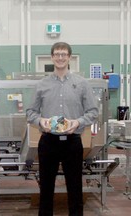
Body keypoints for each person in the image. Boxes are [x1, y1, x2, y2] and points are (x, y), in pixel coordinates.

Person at [26, 42, 98, 216]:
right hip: (48, 142)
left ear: (69, 58)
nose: (60, 57)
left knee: (75, 188)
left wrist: (78, 122)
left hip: (72, 143)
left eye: (63, 54)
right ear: (52, 57)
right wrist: (40, 121)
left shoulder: (81, 84)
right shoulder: (42, 84)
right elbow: (30, 112)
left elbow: (93, 111)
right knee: (46, 188)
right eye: (57, 54)